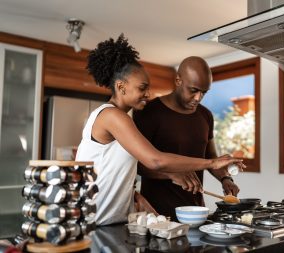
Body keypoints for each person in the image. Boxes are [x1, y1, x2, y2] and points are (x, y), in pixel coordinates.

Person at [75, 34, 244, 226]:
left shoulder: (123, 118)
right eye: (142, 88)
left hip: (111, 222)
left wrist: (135, 195)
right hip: (94, 223)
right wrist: (212, 163)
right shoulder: (112, 116)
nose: (148, 94)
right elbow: (154, 160)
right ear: (121, 87)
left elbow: (116, 170)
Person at [133, 56, 241, 221]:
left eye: (204, 92)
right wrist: (171, 173)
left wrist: (225, 178)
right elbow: (137, 165)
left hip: (196, 212)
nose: (198, 98)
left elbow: (210, 158)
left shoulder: (205, 115)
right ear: (178, 80)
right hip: (157, 215)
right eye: (193, 90)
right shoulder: (148, 112)